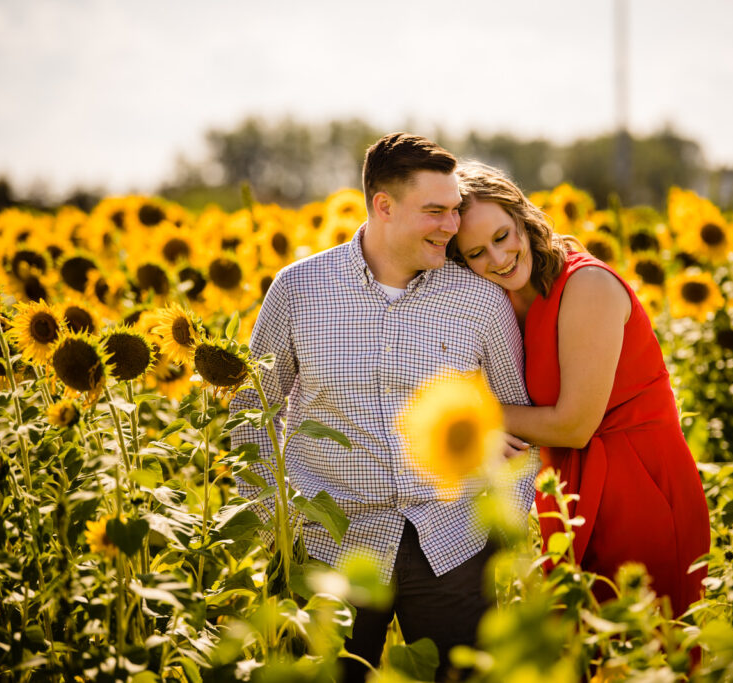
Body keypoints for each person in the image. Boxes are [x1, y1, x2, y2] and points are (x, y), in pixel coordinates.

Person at [231, 135, 539, 681]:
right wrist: (276, 529)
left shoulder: (480, 300)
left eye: (455, 210)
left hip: (452, 541)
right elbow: (252, 411)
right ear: (383, 206)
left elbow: (517, 416)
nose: (451, 225)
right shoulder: (299, 290)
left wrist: (504, 532)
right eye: (436, 211)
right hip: (331, 545)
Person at [450, 161, 710, 617]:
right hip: (569, 489)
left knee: (644, 649)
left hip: (639, 484)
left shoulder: (586, 284)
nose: (497, 258)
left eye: (502, 236)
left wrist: (471, 414)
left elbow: (573, 425)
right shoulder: (500, 300)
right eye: (475, 253)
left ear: (523, 218)